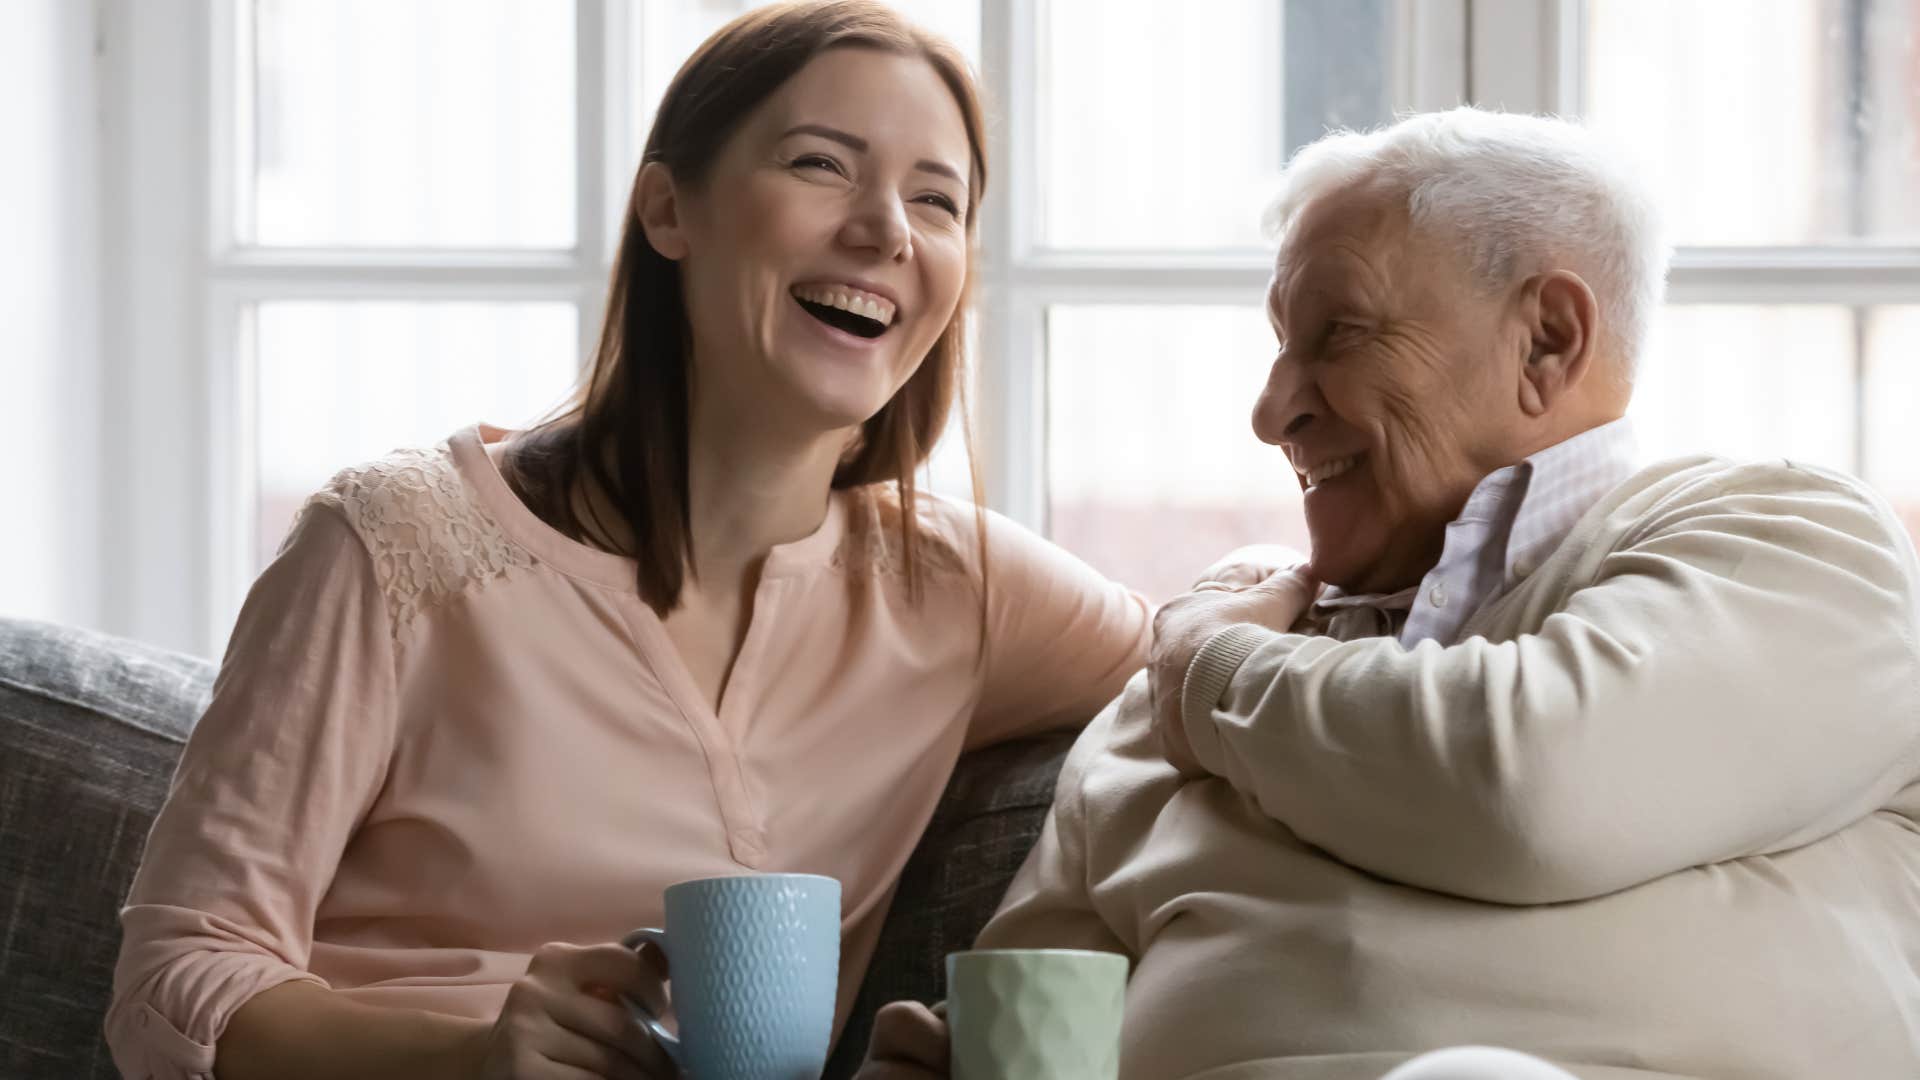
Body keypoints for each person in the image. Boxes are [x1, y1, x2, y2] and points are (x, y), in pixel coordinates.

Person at [105, 4, 1176, 1078]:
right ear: (670, 208)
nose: (887, 229)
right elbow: (177, 974)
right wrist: (472, 1060)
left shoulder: (961, 592)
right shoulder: (392, 545)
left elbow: (1217, 651)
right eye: (822, 165)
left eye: (936, 200)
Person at [858, 107, 1920, 1079]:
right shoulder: (1180, 686)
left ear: (1548, 341)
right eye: (1281, 349)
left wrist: (1211, 674)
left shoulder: (1792, 544)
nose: (1272, 413)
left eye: (1339, 336)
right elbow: (1035, 1012)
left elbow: (1528, 788)